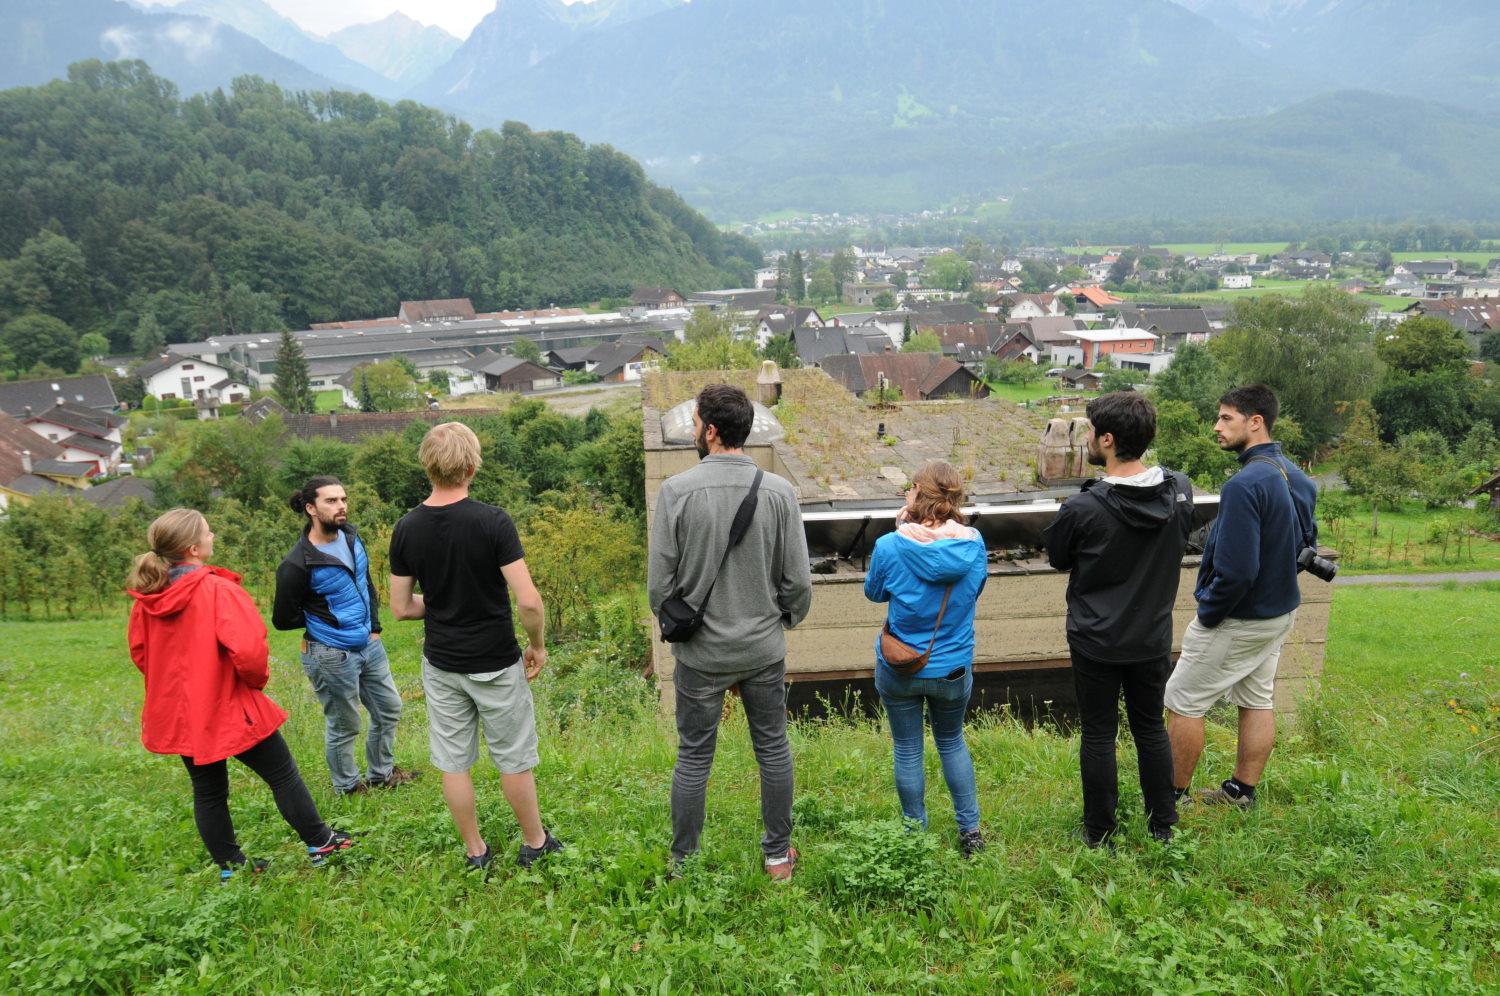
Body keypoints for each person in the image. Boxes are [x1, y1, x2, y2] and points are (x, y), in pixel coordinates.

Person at [127, 508, 356, 880]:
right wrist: (252, 684)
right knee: (282, 774)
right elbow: (249, 652)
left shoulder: (149, 597)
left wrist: (175, 688)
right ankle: (322, 843)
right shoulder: (218, 590)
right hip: (227, 702)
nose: (213, 536)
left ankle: (232, 868)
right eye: (207, 532)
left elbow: (141, 654)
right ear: (193, 548)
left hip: (182, 711)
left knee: (208, 790)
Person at [648, 383, 813, 880]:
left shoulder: (675, 492)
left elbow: (659, 588)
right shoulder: (780, 492)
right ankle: (778, 857)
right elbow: (798, 583)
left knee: (694, 757)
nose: (693, 431)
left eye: (696, 424)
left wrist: (683, 628)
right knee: (773, 749)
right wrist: (779, 622)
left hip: (700, 655)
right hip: (762, 648)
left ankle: (685, 863)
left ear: (712, 431)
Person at [387, 422, 563, 871]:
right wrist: (538, 645)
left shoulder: (406, 528)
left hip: (442, 663)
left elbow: (401, 608)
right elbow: (529, 601)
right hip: (496, 662)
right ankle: (535, 843)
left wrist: (444, 599)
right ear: (471, 468)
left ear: (428, 466)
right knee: (513, 759)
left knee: (454, 762)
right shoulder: (493, 521)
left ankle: (475, 852)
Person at [1041, 392, 1194, 847]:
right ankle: (1162, 825)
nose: (1086, 439)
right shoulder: (1180, 490)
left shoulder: (1084, 507)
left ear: (1107, 440)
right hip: (1151, 637)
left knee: (1099, 734)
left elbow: (1058, 557)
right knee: (1150, 728)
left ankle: (1100, 833)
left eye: (1090, 431)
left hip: (1096, 639)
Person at [1165, 384, 1317, 809]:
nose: (1217, 427)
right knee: (1256, 698)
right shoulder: (1297, 476)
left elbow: (1237, 571)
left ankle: (1171, 798)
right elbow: (1305, 545)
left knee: (1183, 700)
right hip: (1278, 612)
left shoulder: (1244, 484)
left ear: (1255, 422)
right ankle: (1240, 793)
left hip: (1238, 618)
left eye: (1226, 418)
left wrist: (1209, 613)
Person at [864, 460, 989, 857]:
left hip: (901, 665)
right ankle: (970, 832)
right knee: (951, 742)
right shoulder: (974, 543)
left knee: (907, 749)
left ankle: (914, 835)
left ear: (916, 493)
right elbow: (975, 589)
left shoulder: (890, 545)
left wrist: (899, 529)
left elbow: (874, 593)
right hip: (952, 666)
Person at [273, 476, 418, 796]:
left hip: (369, 644)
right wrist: (327, 621)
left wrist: (374, 628)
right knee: (345, 724)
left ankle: (381, 775)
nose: (341, 506)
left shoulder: (351, 536)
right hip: (330, 654)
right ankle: (348, 787)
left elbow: (366, 584)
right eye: (331, 501)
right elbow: (283, 619)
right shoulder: (297, 563)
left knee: (389, 708)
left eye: (343, 499)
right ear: (310, 508)